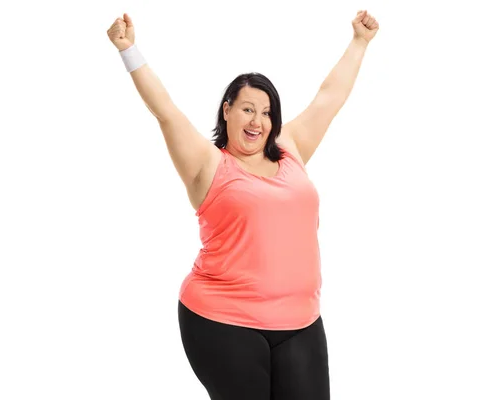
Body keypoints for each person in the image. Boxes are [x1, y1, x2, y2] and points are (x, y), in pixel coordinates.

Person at [107, 9, 379, 400]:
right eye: (248, 109)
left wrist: (359, 42)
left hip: (301, 321)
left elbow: (328, 97)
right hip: (223, 320)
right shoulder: (208, 165)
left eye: (267, 112)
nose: (258, 121)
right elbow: (165, 111)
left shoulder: (290, 149)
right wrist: (128, 49)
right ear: (228, 110)